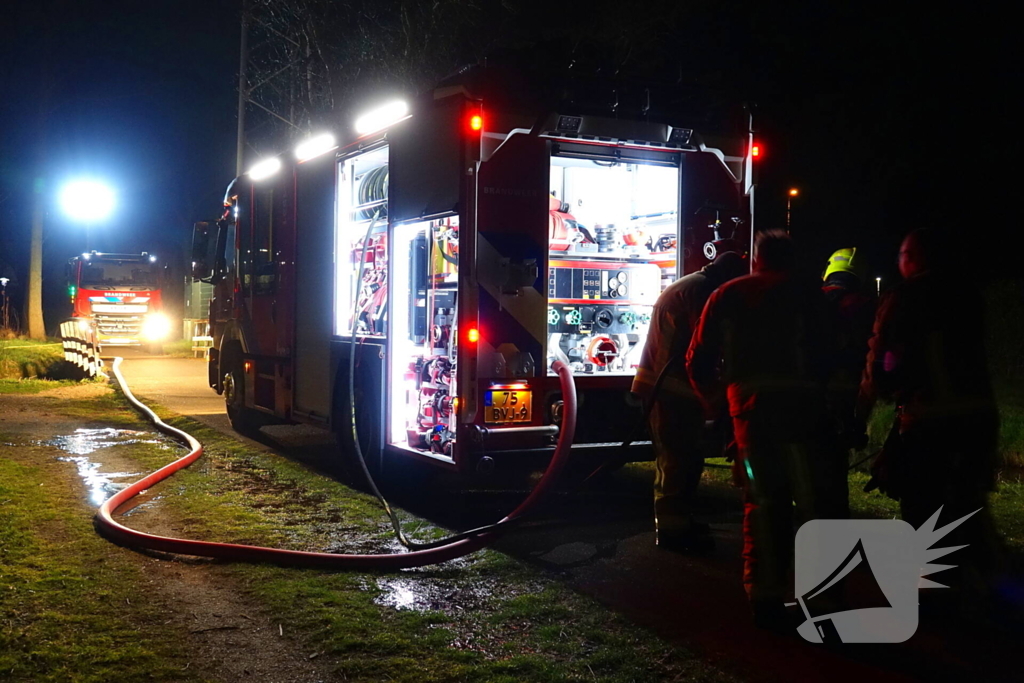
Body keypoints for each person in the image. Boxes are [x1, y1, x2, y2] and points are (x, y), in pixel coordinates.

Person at [687, 230, 833, 628]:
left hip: (751, 415)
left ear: (756, 258)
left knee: (763, 501)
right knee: (814, 504)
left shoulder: (728, 295)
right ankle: (822, 597)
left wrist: (718, 404)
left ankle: (765, 598)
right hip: (805, 414)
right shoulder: (810, 295)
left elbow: (697, 361)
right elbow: (832, 354)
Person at [857, 229, 1001, 608]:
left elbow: (880, 360)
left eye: (903, 253)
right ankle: (985, 576)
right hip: (979, 414)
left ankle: (932, 586)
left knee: (922, 498)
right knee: (967, 497)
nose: (898, 260)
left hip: (929, 417)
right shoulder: (967, 295)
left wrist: (860, 412)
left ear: (914, 258)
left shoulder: (902, 298)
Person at [632, 251, 747, 551]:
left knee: (687, 457)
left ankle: (681, 521)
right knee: (675, 460)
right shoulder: (703, 292)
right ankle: (672, 532)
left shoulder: (694, 284)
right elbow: (708, 342)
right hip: (670, 389)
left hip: (670, 386)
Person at [820, 247, 876, 517]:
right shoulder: (864, 307)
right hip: (845, 403)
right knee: (833, 474)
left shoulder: (811, 301)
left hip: (804, 400)